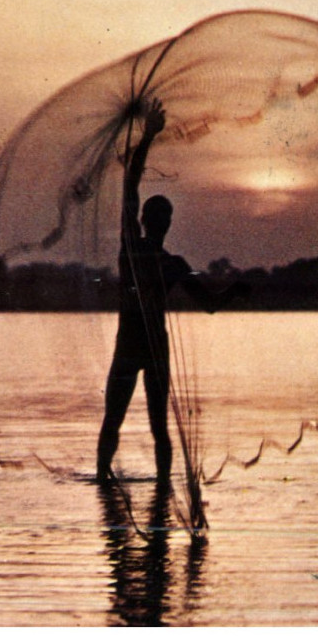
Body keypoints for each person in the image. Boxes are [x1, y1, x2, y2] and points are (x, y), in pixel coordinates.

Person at [96, 99, 248, 483]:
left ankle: (162, 490)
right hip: (130, 345)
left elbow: (210, 305)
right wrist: (147, 136)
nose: (159, 221)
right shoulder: (131, 249)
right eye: (155, 215)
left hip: (152, 347)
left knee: (159, 426)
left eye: (165, 217)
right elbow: (130, 187)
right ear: (146, 220)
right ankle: (104, 480)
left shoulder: (176, 265)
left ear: (168, 223)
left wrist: (234, 291)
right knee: (113, 419)